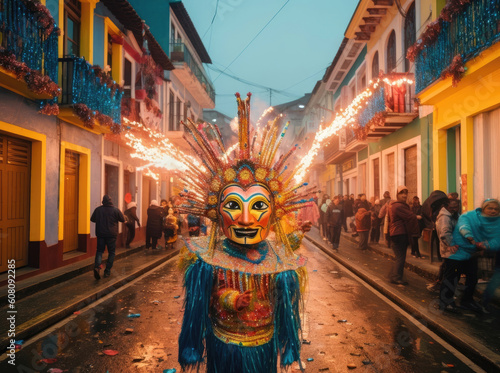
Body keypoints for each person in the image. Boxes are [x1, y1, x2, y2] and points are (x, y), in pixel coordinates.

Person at [178, 93, 309, 372]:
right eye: (234, 206)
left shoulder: (275, 256)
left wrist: (295, 243)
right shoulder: (209, 259)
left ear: (273, 212)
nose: (247, 219)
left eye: (259, 206)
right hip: (227, 343)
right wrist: (231, 298)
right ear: (216, 211)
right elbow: (208, 296)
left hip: (263, 343)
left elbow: (284, 294)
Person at [439, 199, 500, 313]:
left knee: (472, 277)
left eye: (496, 209)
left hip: (472, 252)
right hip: (457, 250)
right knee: (452, 277)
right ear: (483, 208)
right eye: (490, 208)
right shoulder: (470, 216)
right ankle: (445, 302)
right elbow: (463, 225)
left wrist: (487, 245)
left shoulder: (497, 222)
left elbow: (497, 238)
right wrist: (470, 237)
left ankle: (466, 301)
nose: (493, 211)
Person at [387, 186, 420, 286]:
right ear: (397, 195)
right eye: (402, 193)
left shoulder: (395, 205)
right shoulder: (398, 206)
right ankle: (396, 277)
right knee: (401, 257)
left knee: (399, 257)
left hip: (396, 233)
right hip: (399, 233)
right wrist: (417, 216)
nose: (405, 195)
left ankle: (394, 276)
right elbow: (410, 216)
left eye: (406, 193)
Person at [427, 199, 460, 293]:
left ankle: (445, 291)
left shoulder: (454, 215)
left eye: (456, 207)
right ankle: (445, 295)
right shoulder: (445, 217)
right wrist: (452, 245)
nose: (454, 209)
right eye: (452, 207)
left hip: (452, 250)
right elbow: (445, 234)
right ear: (446, 207)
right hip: (449, 250)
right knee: (449, 273)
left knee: (448, 271)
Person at [90, 195, 125, 279]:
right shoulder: (115, 210)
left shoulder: (98, 210)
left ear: (103, 201)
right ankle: (107, 271)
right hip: (111, 235)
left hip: (101, 234)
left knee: (99, 251)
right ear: (111, 201)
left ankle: (97, 267)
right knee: (111, 252)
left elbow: (92, 219)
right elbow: (122, 219)